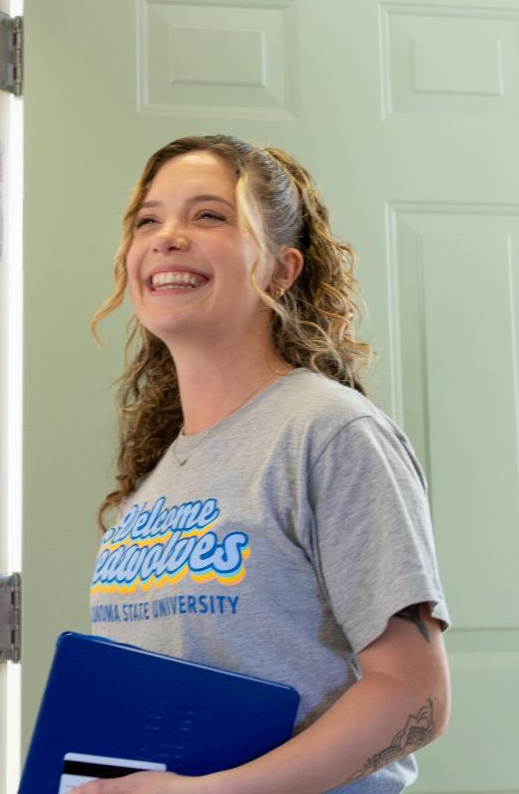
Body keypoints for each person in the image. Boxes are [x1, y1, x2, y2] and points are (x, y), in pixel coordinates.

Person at [78, 135, 451, 794]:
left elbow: (414, 698)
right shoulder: (158, 477)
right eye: (148, 220)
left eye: (209, 215)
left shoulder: (330, 432)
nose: (167, 236)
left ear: (281, 270)